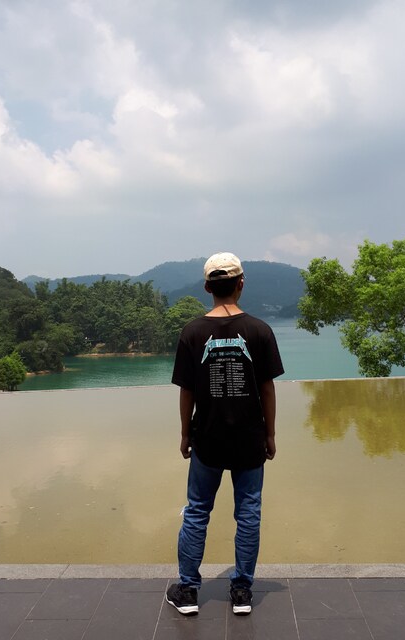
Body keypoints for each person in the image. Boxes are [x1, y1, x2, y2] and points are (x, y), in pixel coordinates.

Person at [166, 252, 284, 616]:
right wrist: (270, 434)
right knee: (248, 513)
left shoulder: (192, 332)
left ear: (207, 288)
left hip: (208, 438)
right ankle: (242, 591)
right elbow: (267, 389)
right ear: (241, 284)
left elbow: (187, 391)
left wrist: (185, 434)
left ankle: (188, 590)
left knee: (197, 512)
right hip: (250, 438)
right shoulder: (260, 331)